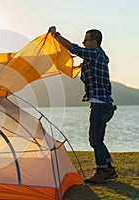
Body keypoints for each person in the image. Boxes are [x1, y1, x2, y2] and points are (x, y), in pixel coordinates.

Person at [48, 26, 117, 183]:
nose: (83, 42)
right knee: (96, 138)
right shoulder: (95, 57)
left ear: (93, 41)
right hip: (102, 104)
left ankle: (102, 171)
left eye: (85, 40)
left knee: (95, 139)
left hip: (101, 105)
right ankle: (108, 168)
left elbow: (75, 48)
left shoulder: (96, 54)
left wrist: (56, 35)